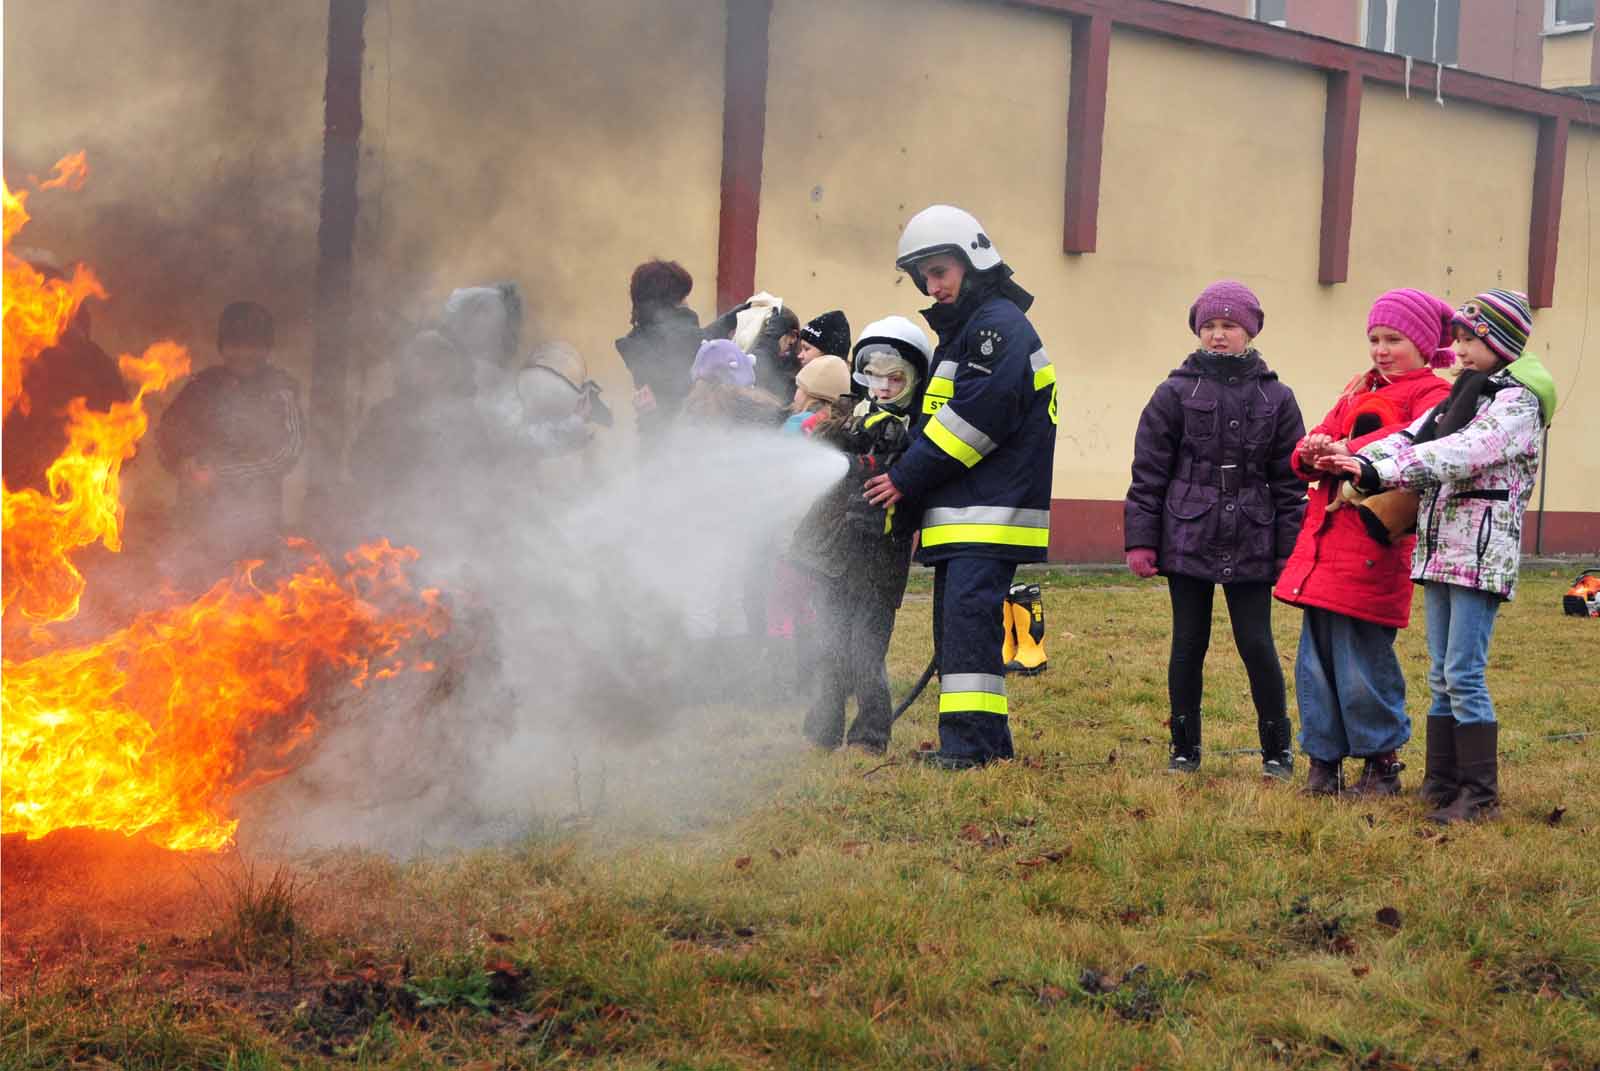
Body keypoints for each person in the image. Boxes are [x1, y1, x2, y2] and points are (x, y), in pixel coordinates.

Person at [1330, 289, 1556, 823]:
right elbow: (1413, 436)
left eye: (1470, 340)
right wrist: (1354, 458)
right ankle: (1440, 781)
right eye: (1456, 339)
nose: (1458, 350)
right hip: (1440, 551)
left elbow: (1465, 452)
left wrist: (1381, 473)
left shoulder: (1515, 403)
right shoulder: (1461, 396)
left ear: (1501, 344)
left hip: (1479, 553)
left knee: (1464, 673)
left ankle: (1478, 794)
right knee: (1440, 672)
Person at [863, 205, 1057, 769]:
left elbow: (978, 418)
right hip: (969, 511)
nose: (932, 286)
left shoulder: (996, 329)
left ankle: (968, 750)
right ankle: (985, 745)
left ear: (973, 264)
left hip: (986, 511)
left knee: (969, 632)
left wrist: (906, 478)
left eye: (940, 272)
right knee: (962, 633)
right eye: (924, 277)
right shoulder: (972, 329)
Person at [1275, 289, 1454, 795]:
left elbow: (1414, 439)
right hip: (1325, 552)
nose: (1380, 349)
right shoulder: (1358, 388)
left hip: (1374, 551)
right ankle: (1323, 761)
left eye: (1393, 339)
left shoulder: (1434, 396)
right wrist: (1310, 452)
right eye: (1374, 339)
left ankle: (1381, 763)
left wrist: (1348, 449)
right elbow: (1322, 436)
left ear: (1421, 344)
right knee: (1316, 665)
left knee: (1363, 667)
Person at [1123, 281, 1305, 778]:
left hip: (1252, 535)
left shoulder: (1277, 397)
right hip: (1187, 534)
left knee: (1257, 644)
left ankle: (1277, 750)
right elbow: (1149, 473)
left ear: (1249, 331)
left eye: (1228, 326)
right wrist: (1141, 539)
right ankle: (1184, 749)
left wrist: (1290, 553)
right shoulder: (1174, 393)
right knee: (1187, 644)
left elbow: (1291, 483)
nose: (1218, 336)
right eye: (1209, 326)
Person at [794, 317, 931, 753]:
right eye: (875, 376)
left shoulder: (917, 435)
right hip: (838, 554)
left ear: (914, 380)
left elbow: (900, 474)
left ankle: (870, 737)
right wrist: (838, 432)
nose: (885, 387)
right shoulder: (851, 417)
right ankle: (822, 730)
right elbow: (825, 452)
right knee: (830, 644)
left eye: (897, 378)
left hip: (881, 557)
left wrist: (871, 460)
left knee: (865, 652)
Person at [156, 301, 304, 587]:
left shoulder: (280, 389)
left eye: (254, 345)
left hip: (256, 522)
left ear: (267, 349)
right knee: (193, 597)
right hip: (195, 519)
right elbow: (167, 431)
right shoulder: (201, 385)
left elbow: (288, 451)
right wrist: (182, 463)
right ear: (223, 348)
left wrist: (223, 474)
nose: (244, 354)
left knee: (252, 599)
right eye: (235, 345)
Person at [2, 259, 128, 493]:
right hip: (30, 497)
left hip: (72, 494)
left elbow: (124, 430)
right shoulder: (9, 357)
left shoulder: (92, 362)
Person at [615, 260, 709, 442]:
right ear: (669, 304)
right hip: (687, 449)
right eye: (682, 297)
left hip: (654, 443)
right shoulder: (687, 341)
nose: (688, 304)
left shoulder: (635, 343)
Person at [783, 353, 852, 435]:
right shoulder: (829, 424)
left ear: (808, 392)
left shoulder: (798, 422)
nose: (795, 394)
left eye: (799, 387)